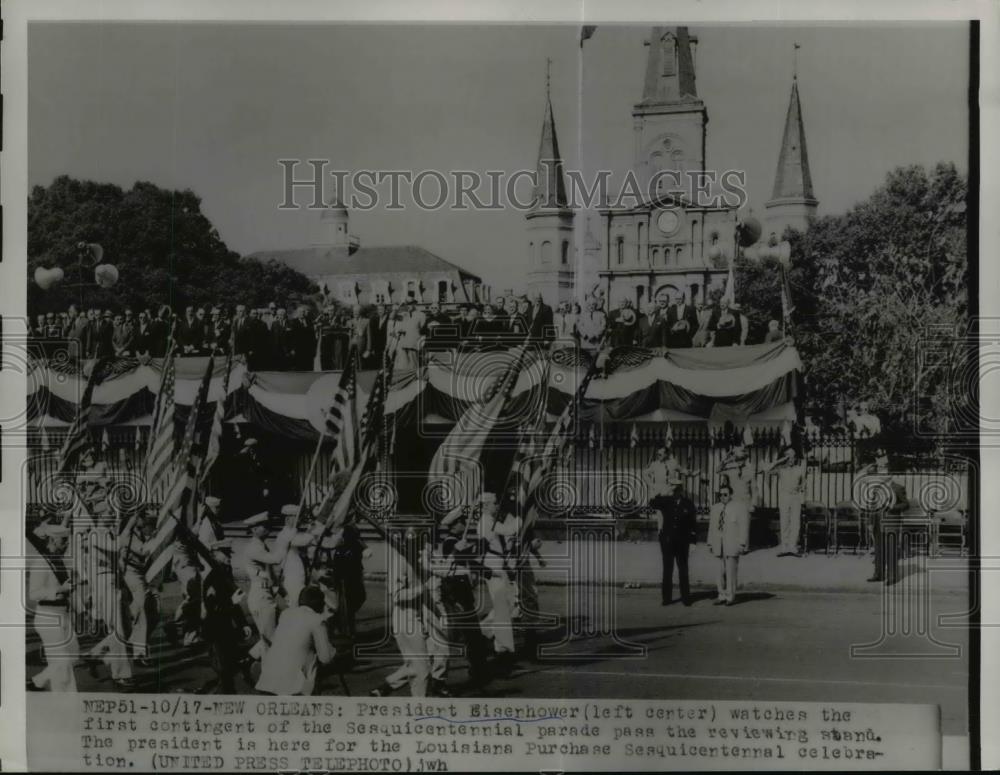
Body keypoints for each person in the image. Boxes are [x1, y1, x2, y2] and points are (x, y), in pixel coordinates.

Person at [371, 529, 435, 697]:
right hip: (406, 620)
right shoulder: (398, 562)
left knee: (418, 665)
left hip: (421, 618)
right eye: (417, 544)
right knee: (422, 670)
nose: (421, 548)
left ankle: (385, 687)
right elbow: (397, 595)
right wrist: (423, 588)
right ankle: (418, 709)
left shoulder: (419, 558)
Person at [256, 586, 336, 696]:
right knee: (312, 663)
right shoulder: (317, 620)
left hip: (267, 681)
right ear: (320, 604)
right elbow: (326, 658)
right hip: (292, 689)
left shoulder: (286, 614)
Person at [27, 522, 79, 692]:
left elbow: (67, 589)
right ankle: (66, 704)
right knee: (62, 665)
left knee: (72, 656)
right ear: (54, 540)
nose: (66, 544)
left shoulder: (59, 561)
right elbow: (34, 594)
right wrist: (59, 590)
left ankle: (39, 681)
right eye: (64, 541)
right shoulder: (41, 563)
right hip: (48, 617)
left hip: (63, 615)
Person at [200, 539, 253, 694]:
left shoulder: (225, 573)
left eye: (229, 553)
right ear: (215, 555)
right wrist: (230, 602)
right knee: (224, 671)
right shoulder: (212, 578)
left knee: (229, 669)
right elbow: (213, 608)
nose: (229, 556)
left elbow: (234, 603)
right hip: (215, 630)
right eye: (225, 553)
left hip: (226, 629)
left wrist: (243, 623)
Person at [243, 512, 289, 659]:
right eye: (263, 525)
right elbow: (275, 559)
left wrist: (284, 594)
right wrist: (285, 540)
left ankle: (248, 660)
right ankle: (268, 672)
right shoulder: (254, 548)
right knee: (272, 639)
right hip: (261, 597)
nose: (267, 527)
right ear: (254, 529)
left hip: (266, 595)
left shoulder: (262, 546)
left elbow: (273, 577)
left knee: (274, 634)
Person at [650, 473, 698, 606]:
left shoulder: (688, 504)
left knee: (683, 569)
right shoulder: (666, 501)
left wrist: (693, 542)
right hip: (667, 541)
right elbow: (652, 503)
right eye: (672, 488)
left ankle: (686, 598)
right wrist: (663, 492)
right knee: (667, 569)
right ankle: (666, 598)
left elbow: (693, 524)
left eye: (676, 489)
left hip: (683, 541)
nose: (674, 491)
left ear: (681, 489)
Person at [707, 484, 750, 605]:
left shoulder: (739, 507)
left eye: (725, 494)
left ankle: (730, 596)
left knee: (731, 571)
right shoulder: (715, 508)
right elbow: (712, 527)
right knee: (719, 571)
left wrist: (743, 543)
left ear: (730, 495)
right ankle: (721, 595)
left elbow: (744, 526)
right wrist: (710, 542)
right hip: (718, 543)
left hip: (732, 543)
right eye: (720, 495)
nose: (722, 497)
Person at [765, 446, 807, 556]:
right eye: (788, 456)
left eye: (793, 456)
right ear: (784, 457)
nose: (791, 458)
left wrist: (801, 488)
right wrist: (779, 461)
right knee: (784, 520)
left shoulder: (799, 468)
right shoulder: (781, 469)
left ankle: (793, 547)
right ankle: (784, 546)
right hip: (784, 496)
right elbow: (767, 470)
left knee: (795, 522)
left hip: (795, 496)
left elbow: (803, 482)